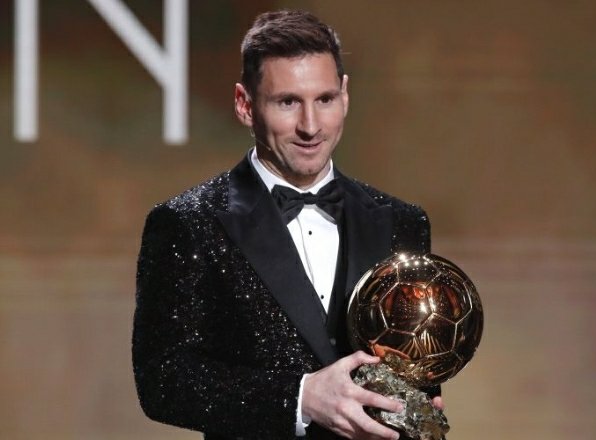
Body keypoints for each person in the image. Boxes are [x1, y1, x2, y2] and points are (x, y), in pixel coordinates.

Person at [132, 10, 439, 440]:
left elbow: (415, 361)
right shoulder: (187, 223)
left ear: (345, 95)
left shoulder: (402, 222)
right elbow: (163, 380)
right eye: (288, 102)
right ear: (245, 105)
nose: (310, 126)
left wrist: (417, 405)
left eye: (325, 100)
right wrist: (300, 397)